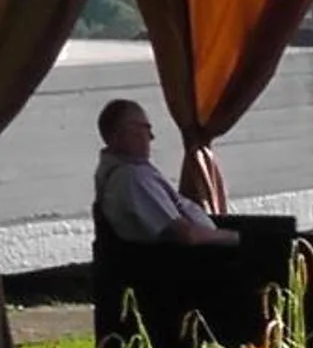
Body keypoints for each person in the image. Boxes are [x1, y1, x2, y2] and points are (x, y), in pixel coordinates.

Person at [93, 100, 240, 246]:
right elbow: (185, 235)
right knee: (259, 237)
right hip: (198, 256)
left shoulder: (125, 172)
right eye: (146, 128)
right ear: (127, 130)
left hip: (202, 239)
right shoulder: (132, 179)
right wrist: (233, 237)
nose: (151, 137)